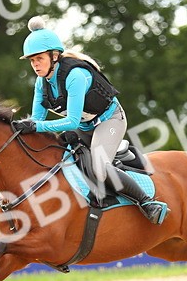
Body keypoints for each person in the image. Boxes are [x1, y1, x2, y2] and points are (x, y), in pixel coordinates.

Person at [11, 16, 164, 224]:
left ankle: (147, 202)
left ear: (54, 56)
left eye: (39, 59)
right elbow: (37, 120)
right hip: (85, 126)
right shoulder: (41, 83)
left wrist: (35, 125)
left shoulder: (75, 75)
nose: (36, 65)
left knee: (99, 167)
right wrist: (19, 128)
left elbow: (71, 121)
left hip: (110, 121)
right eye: (32, 61)